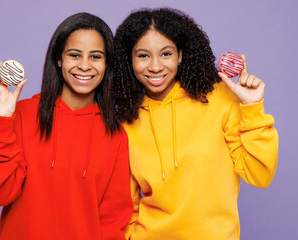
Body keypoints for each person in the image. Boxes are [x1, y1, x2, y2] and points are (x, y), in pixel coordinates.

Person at [113, 8, 278, 240]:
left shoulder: (219, 99)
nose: (155, 66)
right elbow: (126, 203)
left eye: (166, 54)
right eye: (143, 56)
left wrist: (252, 108)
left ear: (180, 55)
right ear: (129, 59)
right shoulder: (126, 120)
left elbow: (260, 174)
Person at [0, 12, 132, 240]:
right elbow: (1, 193)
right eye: (74, 55)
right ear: (59, 59)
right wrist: (3, 119)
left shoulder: (116, 134)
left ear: (107, 63)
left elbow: (113, 220)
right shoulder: (23, 113)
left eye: (95, 56)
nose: (84, 65)